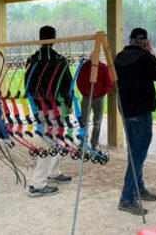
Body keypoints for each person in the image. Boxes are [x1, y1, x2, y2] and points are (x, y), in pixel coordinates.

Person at [115, 28, 156, 215]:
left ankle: (138, 188)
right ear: (145, 42)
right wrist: (150, 52)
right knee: (137, 156)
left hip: (127, 112)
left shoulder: (119, 57)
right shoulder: (145, 58)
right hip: (141, 113)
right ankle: (126, 198)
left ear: (129, 40)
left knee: (134, 154)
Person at [26, 26, 73, 198]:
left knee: (55, 137)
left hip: (40, 106)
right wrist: (68, 102)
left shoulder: (32, 59)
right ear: (53, 39)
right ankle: (37, 184)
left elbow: (28, 84)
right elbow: (67, 83)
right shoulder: (59, 60)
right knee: (50, 140)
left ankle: (53, 172)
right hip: (53, 106)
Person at [76, 58, 113, 150]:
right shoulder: (84, 67)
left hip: (98, 98)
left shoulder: (103, 67)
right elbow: (79, 81)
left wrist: (101, 94)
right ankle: (83, 141)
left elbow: (108, 83)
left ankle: (94, 143)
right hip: (86, 97)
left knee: (97, 121)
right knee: (84, 120)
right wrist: (84, 93)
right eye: (91, 58)